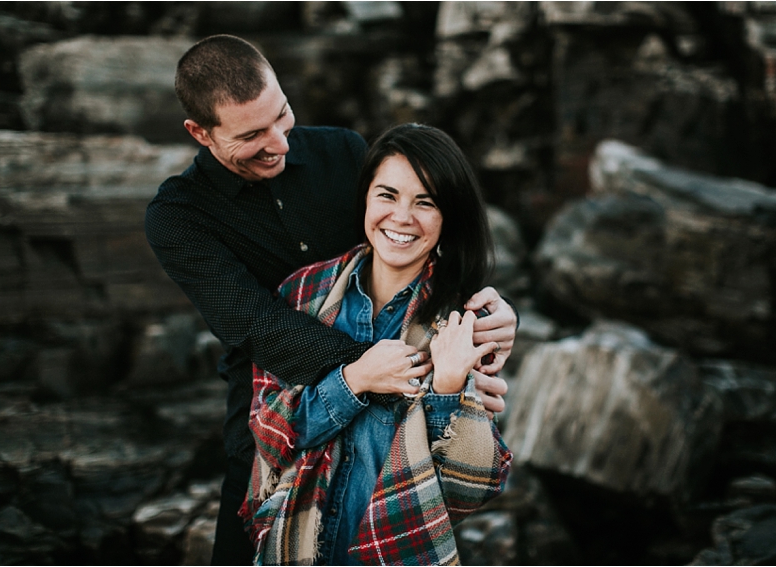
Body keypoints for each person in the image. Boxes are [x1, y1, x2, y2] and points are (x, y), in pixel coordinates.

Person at [144, 35, 518, 565]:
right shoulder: (179, 216)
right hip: (272, 403)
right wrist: (400, 369)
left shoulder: (342, 151)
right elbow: (259, 327)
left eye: (282, 115)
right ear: (200, 133)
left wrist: (491, 317)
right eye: (252, 135)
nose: (280, 142)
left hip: (394, 405)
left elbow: (417, 228)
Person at [240, 123, 512, 566]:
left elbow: (470, 489)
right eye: (387, 195)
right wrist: (355, 380)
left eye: (425, 202)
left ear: (449, 216)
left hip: (398, 551)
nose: (402, 217)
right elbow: (271, 433)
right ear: (365, 197)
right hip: (296, 546)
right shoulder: (302, 295)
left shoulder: (464, 322)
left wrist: (446, 387)